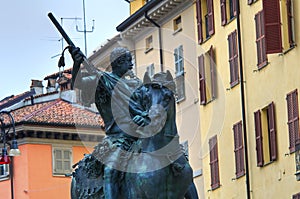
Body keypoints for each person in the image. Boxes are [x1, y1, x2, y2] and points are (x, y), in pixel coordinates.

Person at [70, 46, 147, 198]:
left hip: (143, 134)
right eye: (127, 61)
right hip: (118, 137)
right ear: (117, 63)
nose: (131, 65)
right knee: (111, 170)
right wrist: (77, 64)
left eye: (131, 61)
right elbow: (77, 84)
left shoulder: (136, 85)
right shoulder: (101, 80)